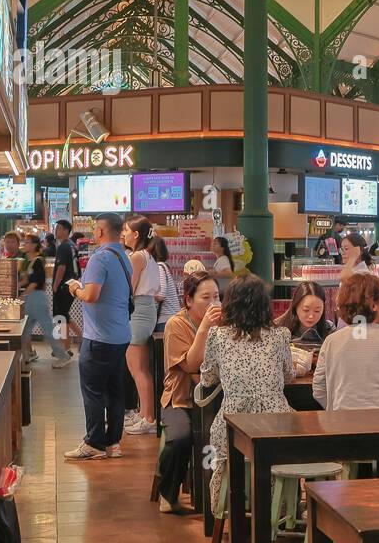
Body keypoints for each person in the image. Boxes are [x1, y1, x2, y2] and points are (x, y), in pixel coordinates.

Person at [202, 276, 304, 512]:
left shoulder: (217, 336)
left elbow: (207, 378)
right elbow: (289, 375)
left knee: (218, 449)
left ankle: (230, 507)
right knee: (297, 430)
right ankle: (281, 507)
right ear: (264, 305)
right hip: (276, 424)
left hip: (232, 425)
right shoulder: (280, 336)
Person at [63, 213, 134, 461]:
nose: (93, 232)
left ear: (101, 231)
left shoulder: (100, 258)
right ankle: (113, 443)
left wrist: (75, 288)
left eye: (95, 228)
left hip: (99, 337)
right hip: (120, 335)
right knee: (115, 391)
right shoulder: (124, 257)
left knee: (93, 390)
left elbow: (91, 295)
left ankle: (93, 442)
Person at [155, 271, 222, 513]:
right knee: (181, 437)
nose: (214, 303)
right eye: (206, 297)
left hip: (215, 398)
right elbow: (191, 366)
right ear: (189, 300)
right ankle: (168, 492)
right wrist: (204, 328)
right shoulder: (177, 324)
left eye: (217, 296)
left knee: (224, 436)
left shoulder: (222, 323)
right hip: (180, 399)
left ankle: (220, 496)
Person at [312, 273, 379, 411]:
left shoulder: (331, 341)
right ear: (373, 305)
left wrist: (336, 409)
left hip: (341, 425)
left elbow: (319, 389)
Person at [123, 216, 159, 435]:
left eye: (126, 230)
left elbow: (129, 288)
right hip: (145, 309)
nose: (123, 234)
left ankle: (148, 417)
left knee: (138, 369)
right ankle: (144, 413)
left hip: (139, 310)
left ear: (136, 235)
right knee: (140, 368)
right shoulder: (145, 255)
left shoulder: (136, 256)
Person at [19, 233, 73, 368]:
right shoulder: (28, 260)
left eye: (27, 242)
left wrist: (23, 294)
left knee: (48, 330)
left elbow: (35, 282)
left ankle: (63, 356)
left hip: (36, 298)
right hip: (31, 298)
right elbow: (26, 280)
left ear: (34, 245)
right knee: (24, 330)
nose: (24, 245)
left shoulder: (38, 261)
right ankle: (25, 355)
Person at [51, 219, 80, 359]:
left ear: (66, 231)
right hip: (72, 286)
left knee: (60, 317)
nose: (56, 230)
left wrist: (55, 286)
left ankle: (65, 349)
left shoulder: (63, 246)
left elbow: (61, 267)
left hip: (63, 286)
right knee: (64, 315)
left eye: (59, 228)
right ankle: (82, 339)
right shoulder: (72, 245)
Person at [148, 236, 181, 333]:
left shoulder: (159, 267)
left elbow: (161, 295)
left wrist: (145, 293)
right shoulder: (163, 266)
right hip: (171, 316)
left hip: (166, 318)